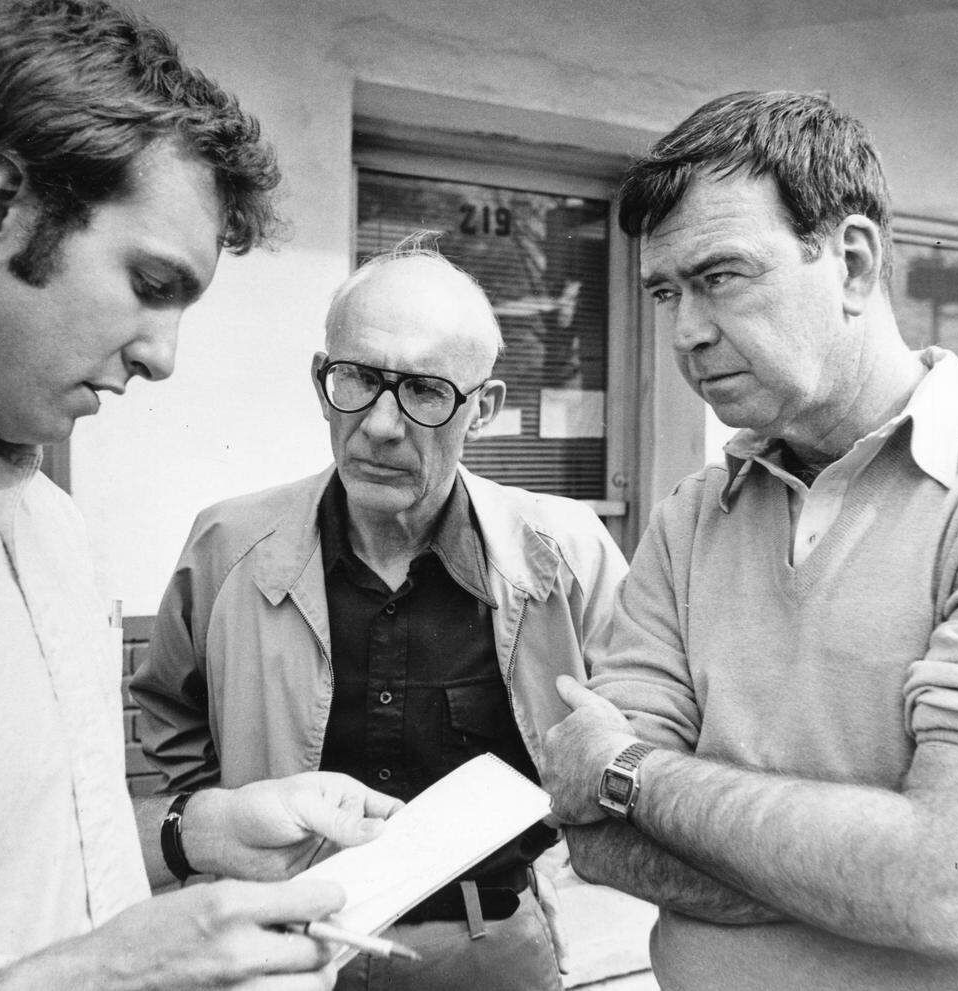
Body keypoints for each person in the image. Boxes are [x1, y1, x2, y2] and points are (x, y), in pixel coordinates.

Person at [0, 3, 401, 989]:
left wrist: (205, 831)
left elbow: (12, 863)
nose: (163, 359)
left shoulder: (47, 527)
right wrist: (104, 975)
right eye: (150, 283)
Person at [540, 90, 958, 990]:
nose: (686, 332)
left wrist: (631, 770)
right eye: (663, 291)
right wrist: (864, 878)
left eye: (721, 276)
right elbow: (597, 841)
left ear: (850, 261)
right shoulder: (691, 516)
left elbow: (955, 889)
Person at [130, 240, 630, 991]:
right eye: (357, 378)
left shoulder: (565, 555)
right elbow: (170, 710)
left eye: (425, 391)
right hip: (283, 945)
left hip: (487, 944)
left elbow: (630, 726)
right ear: (320, 379)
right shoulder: (228, 545)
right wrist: (222, 843)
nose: (381, 425)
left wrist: (552, 861)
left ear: (483, 409)